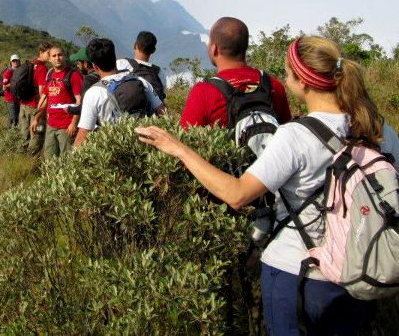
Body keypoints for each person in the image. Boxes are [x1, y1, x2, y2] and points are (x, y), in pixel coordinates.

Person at [136, 36, 399, 335]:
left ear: (302, 81)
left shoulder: (294, 137)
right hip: (356, 271)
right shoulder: (379, 130)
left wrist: (179, 149)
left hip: (294, 272)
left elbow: (237, 195)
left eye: (287, 73)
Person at [180, 17, 291, 129]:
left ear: (214, 49)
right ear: (245, 47)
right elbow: (287, 133)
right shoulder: (274, 85)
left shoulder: (203, 93)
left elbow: (185, 140)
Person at [74, 38, 165, 148]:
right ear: (114, 58)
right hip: (143, 149)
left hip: (114, 153)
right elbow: (163, 112)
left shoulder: (93, 93)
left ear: (95, 66)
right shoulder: (141, 81)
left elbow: (83, 134)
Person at [31, 46, 82, 158]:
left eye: (60, 55)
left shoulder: (73, 75)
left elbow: (79, 101)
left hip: (66, 127)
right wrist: (37, 117)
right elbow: (46, 100)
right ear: (49, 59)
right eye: (54, 56)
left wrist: (73, 123)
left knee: (67, 160)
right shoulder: (49, 75)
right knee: (50, 159)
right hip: (51, 125)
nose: (57, 58)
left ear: (65, 57)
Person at [18, 42, 51, 154]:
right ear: (41, 53)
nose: (50, 55)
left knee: (24, 134)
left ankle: (21, 158)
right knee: (37, 135)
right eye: (48, 53)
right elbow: (42, 91)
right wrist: (43, 110)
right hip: (35, 107)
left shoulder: (29, 64)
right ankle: (31, 163)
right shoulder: (42, 69)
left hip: (23, 105)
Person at [117, 31, 167, 101]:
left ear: (135, 45)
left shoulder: (121, 64)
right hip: (151, 111)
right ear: (153, 50)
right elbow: (161, 96)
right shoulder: (159, 73)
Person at [2, 54, 21, 127]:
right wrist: (14, 83)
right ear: (11, 62)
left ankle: (9, 130)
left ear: (19, 61)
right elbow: (4, 88)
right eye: (13, 61)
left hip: (18, 98)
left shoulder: (20, 71)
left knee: (13, 117)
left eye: (16, 60)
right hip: (10, 99)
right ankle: (11, 132)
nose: (15, 62)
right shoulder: (8, 72)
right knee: (13, 118)